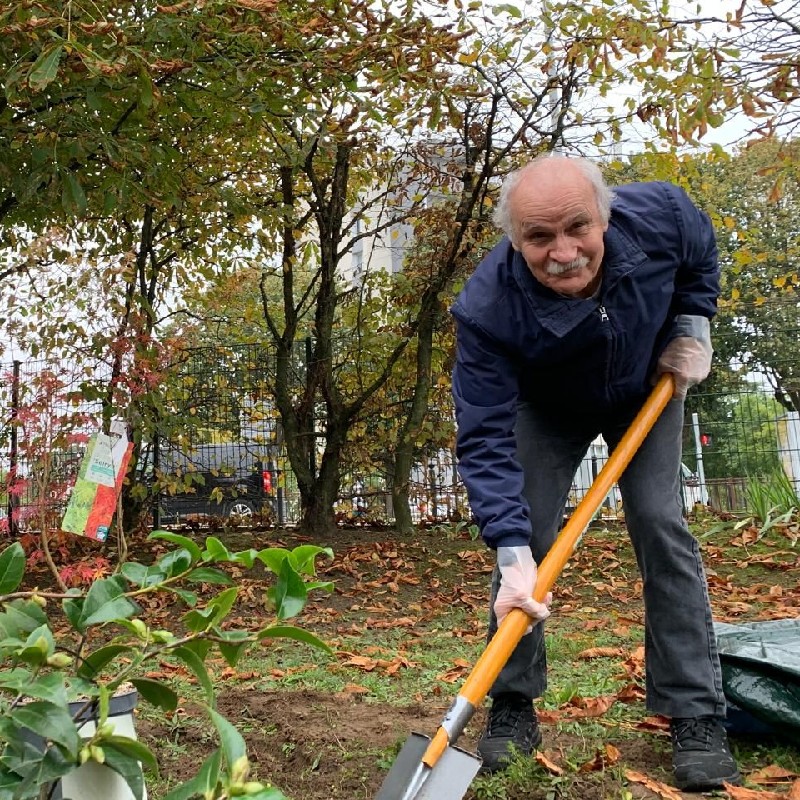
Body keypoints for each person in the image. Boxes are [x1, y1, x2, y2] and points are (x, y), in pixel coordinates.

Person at [450, 154, 740, 792]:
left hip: (646, 385)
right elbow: (484, 435)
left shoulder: (662, 215)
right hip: (547, 405)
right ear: (514, 238)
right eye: (539, 237)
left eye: (578, 227)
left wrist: (693, 322)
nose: (563, 252)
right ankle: (512, 704)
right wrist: (509, 546)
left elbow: (699, 255)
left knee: (660, 521)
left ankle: (695, 712)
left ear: (605, 216)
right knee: (525, 541)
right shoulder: (487, 308)